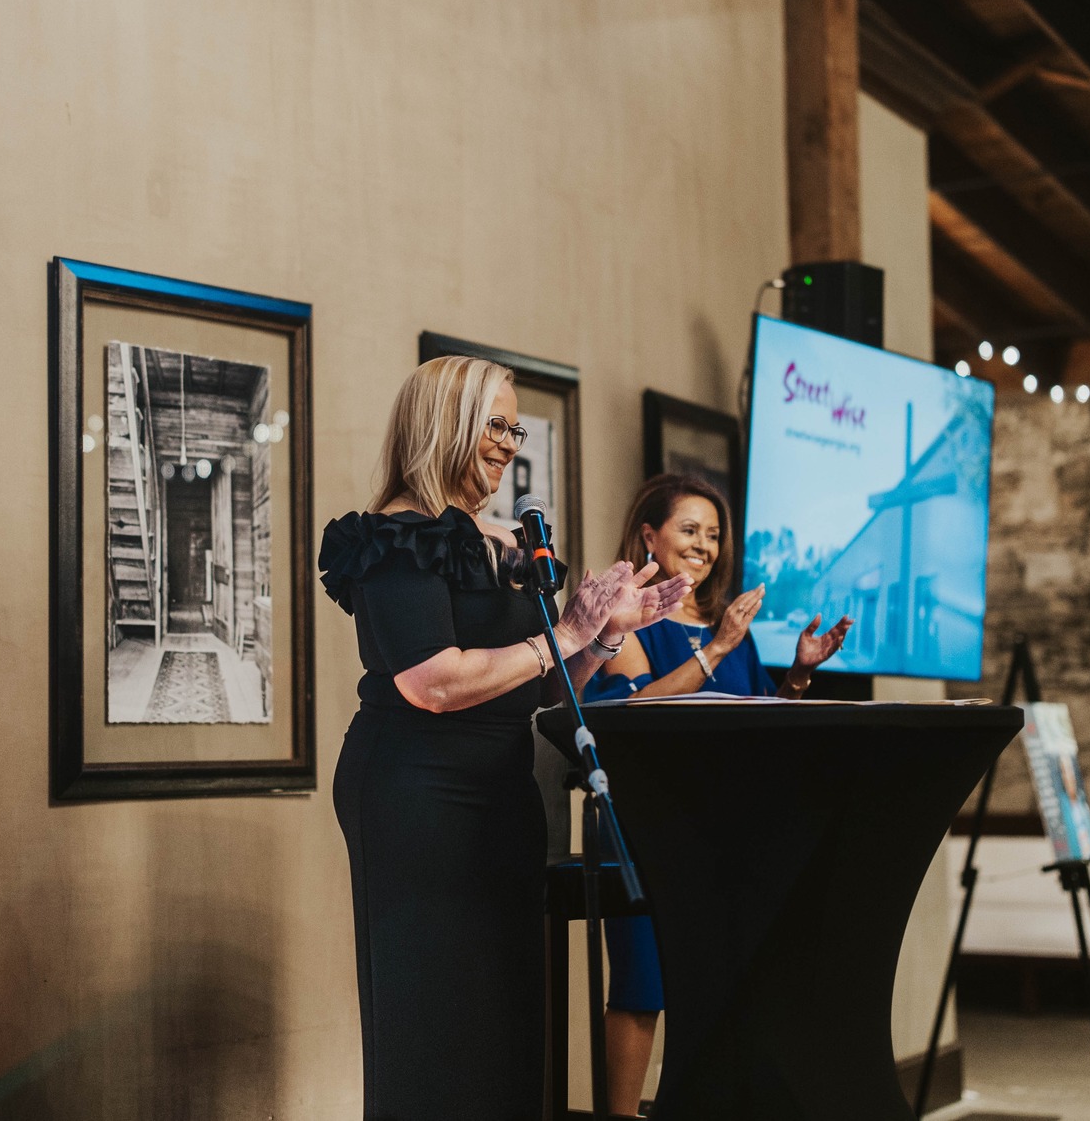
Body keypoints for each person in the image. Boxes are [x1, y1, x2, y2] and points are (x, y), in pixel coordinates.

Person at [319, 356, 693, 1121]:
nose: (509, 443)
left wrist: (601, 637)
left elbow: (543, 684)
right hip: (416, 794)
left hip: (500, 789)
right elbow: (432, 682)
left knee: (506, 1013)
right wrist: (565, 632)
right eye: (496, 424)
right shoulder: (395, 537)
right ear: (444, 421)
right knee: (435, 1014)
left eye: (515, 429)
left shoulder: (499, 541)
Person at [581, 471, 853, 1116]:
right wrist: (718, 649)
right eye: (689, 529)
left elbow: (758, 725)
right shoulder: (624, 614)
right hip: (643, 819)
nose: (704, 545)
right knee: (643, 987)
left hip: (723, 826)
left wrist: (798, 675)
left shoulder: (729, 625)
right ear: (650, 535)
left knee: (718, 985)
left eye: (713, 534)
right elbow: (631, 709)